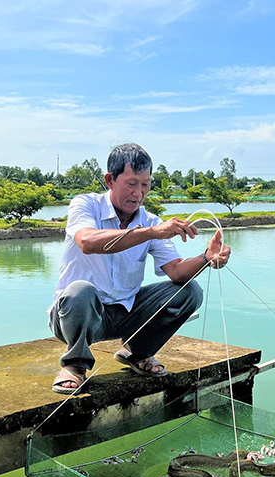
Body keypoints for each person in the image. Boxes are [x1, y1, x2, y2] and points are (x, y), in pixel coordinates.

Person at [49, 143, 231, 394]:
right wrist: (150, 233)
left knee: (190, 292)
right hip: (76, 315)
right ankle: (74, 365)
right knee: (80, 291)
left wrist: (206, 258)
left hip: (125, 313)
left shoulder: (150, 222)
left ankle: (136, 352)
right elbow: (87, 242)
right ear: (110, 180)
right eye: (132, 184)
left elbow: (177, 271)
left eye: (145, 185)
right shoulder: (85, 205)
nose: (138, 193)